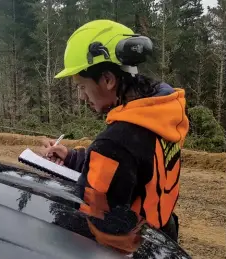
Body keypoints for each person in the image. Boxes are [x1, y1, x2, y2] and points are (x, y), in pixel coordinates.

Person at [40, 19, 189, 245]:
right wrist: (71, 157)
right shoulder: (162, 114)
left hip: (134, 247)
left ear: (108, 79)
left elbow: (96, 225)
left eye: (82, 86)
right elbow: (130, 172)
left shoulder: (115, 143)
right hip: (163, 238)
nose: (82, 97)